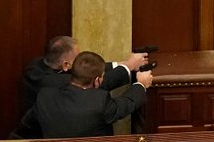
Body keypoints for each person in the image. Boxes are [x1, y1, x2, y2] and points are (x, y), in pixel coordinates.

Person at [13, 51, 153, 139]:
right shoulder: (100, 101)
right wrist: (141, 84)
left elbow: (24, 129)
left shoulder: (45, 97)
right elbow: (127, 103)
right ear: (97, 80)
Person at [19, 35, 149, 115]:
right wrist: (129, 67)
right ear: (65, 65)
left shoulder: (38, 64)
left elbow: (84, 71)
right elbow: (95, 80)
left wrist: (120, 64)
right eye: (78, 58)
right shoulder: (53, 82)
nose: (82, 61)